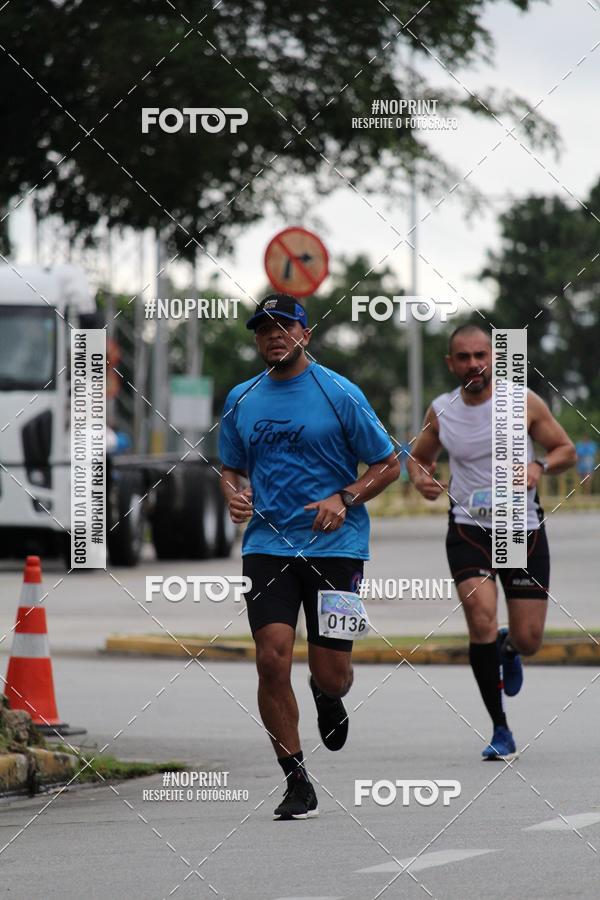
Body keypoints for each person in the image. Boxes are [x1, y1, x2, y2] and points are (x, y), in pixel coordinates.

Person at [218, 293, 400, 819]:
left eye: (284, 326)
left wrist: (345, 498)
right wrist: (233, 494)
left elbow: (388, 464)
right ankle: (296, 781)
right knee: (270, 657)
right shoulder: (242, 397)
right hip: (267, 547)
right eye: (263, 328)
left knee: (333, 673)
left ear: (305, 334)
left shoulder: (340, 392)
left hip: (337, 547)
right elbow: (230, 466)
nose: (273, 335)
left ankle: (327, 692)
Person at [407, 324, 576, 761]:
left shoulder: (523, 401)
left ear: (494, 359)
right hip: (470, 529)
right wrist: (422, 480)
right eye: (464, 357)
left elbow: (566, 450)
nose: (474, 365)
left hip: (520, 528)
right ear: (451, 364)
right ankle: (500, 728)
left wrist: (539, 466)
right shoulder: (441, 410)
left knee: (530, 639)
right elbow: (419, 458)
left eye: (481, 355)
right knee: (480, 619)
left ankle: (509, 647)